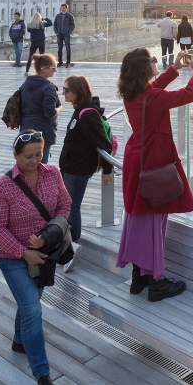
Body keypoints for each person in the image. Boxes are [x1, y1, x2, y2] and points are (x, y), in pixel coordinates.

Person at [116, 47, 193, 302]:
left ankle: (139, 277)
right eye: (153, 60)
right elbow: (189, 94)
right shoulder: (152, 98)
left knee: (138, 216)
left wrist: (174, 69)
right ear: (144, 69)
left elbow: (153, 90)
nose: (156, 62)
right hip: (153, 162)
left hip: (137, 160)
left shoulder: (133, 94)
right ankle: (156, 281)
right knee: (155, 221)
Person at [0, 129, 72, 385]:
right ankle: (42, 373)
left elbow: (65, 205)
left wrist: (47, 237)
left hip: (45, 255)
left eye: (39, 154)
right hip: (13, 259)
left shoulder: (53, 173)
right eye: (28, 156)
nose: (35, 161)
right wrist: (25, 253)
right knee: (33, 309)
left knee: (29, 304)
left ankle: (19, 341)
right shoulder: (1, 187)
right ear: (15, 155)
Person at [58, 75, 113, 272]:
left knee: (72, 207)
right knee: (66, 205)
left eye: (67, 89)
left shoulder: (87, 114)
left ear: (78, 92)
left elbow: (104, 144)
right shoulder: (80, 109)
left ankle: (72, 247)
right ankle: (68, 243)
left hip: (78, 169)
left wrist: (108, 170)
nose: (63, 93)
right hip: (71, 166)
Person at [21, 54, 61, 164]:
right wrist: (59, 109)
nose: (55, 71)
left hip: (25, 130)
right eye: (53, 68)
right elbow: (50, 113)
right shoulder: (49, 87)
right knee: (40, 165)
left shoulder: (26, 84)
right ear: (44, 68)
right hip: (42, 132)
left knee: (27, 163)